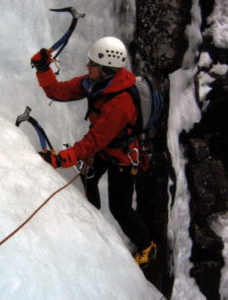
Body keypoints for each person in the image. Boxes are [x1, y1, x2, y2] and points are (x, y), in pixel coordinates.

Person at [31, 36, 156, 268]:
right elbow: (57, 91)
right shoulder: (94, 82)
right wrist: (42, 68)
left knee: (120, 208)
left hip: (123, 158)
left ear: (106, 69)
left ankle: (147, 246)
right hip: (103, 149)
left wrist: (61, 159)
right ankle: (93, 224)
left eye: (92, 64)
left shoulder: (121, 102)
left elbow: (95, 141)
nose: (87, 66)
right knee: (88, 182)